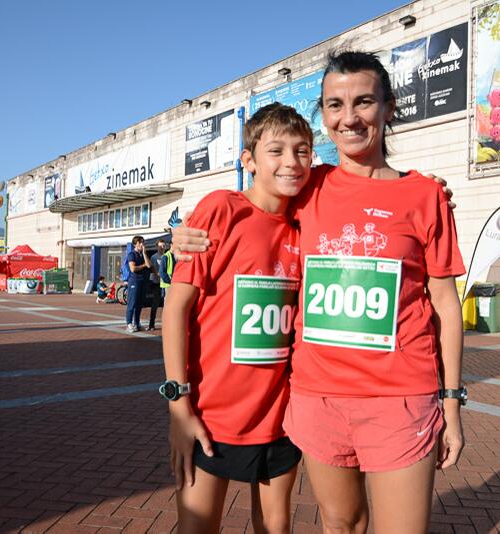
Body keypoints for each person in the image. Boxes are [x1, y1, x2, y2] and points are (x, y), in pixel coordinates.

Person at [173, 50, 466, 533]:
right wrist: (180, 237)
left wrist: (451, 401)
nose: (348, 118)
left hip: (399, 398)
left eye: (364, 102)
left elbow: (446, 307)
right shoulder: (308, 186)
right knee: (340, 524)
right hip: (316, 398)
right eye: (334, 105)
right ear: (324, 115)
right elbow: (251, 211)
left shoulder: (424, 194)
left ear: (388, 108)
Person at [162, 103, 313, 533]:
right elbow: (176, 309)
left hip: (280, 417)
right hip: (211, 416)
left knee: (276, 527)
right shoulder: (222, 210)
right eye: (276, 150)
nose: (291, 161)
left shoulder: (305, 223)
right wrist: (178, 405)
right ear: (248, 160)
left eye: (302, 151)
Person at [125, 235, 151, 332]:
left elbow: (148, 265)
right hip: (134, 281)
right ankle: (129, 324)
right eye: (140, 243)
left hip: (142, 281)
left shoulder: (143, 254)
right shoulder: (132, 254)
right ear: (135, 244)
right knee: (132, 303)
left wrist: (144, 253)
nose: (142, 244)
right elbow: (133, 268)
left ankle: (137, 323)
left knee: (139, 304)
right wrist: (143, 265)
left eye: (143, 242)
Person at [147, 239, 168, 331]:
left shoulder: (168, 256)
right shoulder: (154, 257)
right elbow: (152, 270)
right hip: (157, 283)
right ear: (157, 247)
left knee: (166, 304)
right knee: (155, 304)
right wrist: (157, 276)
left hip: (166, 283)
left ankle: (167, 324)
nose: (162, 247)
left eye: (163, 245)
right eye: (160, 246)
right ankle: (151, 324)